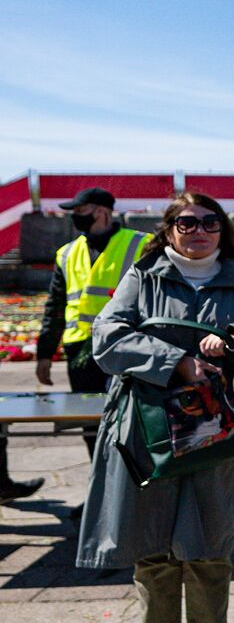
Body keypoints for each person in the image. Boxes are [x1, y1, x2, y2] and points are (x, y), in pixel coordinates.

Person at [74, 193, 234, 623]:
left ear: (223, 229)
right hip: (149, 431)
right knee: (152, 547)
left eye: (210, 222)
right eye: (186, 222)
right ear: (168, 230)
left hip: (216, 430)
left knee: (210, 544)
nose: (199, 230)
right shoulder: (145, 278)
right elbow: (107, 336)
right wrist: (178, 362)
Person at [5, 187, 151, 508]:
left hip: (126, 350)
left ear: (101, 211)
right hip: (80, 353)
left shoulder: (141, 244)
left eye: (80, 209)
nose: (74, 216)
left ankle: (133, 492)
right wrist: (45, 354)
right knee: (90, 427)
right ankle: (101, 492)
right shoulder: (67, 253)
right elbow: (55, 307)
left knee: (130, 424)